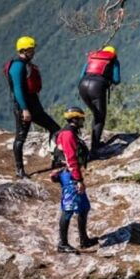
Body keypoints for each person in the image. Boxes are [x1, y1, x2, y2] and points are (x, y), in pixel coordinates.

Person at [4, 36, 60, 178]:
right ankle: (20, 170)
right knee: (20, 138)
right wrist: (24, 109)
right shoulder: (18, 67)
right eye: (31, 49)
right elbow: (18, 90)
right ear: (23, 50)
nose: (34, 51)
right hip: (24, 107)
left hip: (33, 105)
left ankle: (56, 160)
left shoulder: (24, 65)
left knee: (55, 128)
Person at [50, 107, 96, 254]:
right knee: (68, 209)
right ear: (75, 119)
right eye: (82, 118)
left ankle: (84, 240)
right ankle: (62, 244)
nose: (83, 120)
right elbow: (71, 159)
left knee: (84, 207)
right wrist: (78, 180)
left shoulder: (68, 132)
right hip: (69, 175)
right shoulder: (68, 135)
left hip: (70, 174)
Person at [78, 45, 121, 157]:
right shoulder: (113, 60)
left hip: (82, 85)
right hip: (97, 87)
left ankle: (94, 143)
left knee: (96, 114)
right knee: (100, 117)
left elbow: (81, 75)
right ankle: (95, 148)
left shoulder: (92, 58)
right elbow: (117, 80)